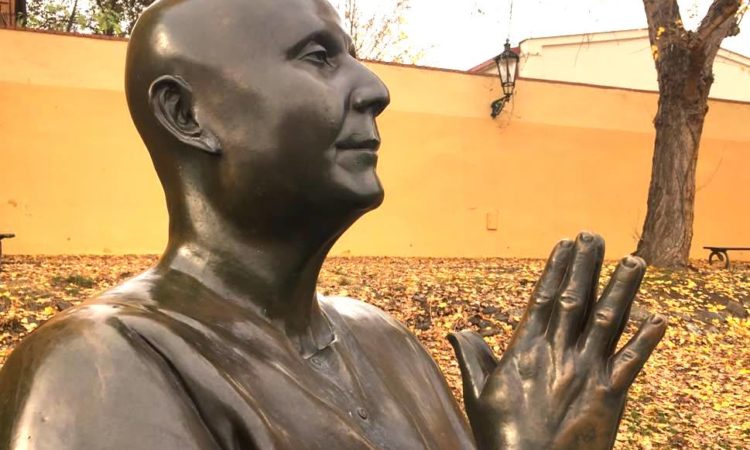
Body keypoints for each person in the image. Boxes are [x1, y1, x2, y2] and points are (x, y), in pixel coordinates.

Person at [0, 0, 667, 448]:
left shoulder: (386, 343)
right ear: (187, 113)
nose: (374, 88)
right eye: (318, 58)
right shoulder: (97, 368)